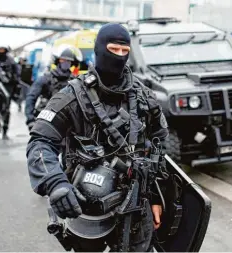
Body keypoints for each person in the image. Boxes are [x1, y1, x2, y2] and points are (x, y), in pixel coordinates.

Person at [26, 23, 169, 251]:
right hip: (87, 206)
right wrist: (55, 183)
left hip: (136, 204)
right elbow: (40, 142)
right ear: (100, 49)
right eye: (113, 49)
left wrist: (157, 197)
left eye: (125, 51)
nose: (119, 56)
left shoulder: (144, 97)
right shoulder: (72, 96)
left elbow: (160, 147)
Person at [24, 48, 75, 131]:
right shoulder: (46, 78)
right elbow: (31, 96)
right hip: (46, 119)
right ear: (58, 61)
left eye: (68, 61)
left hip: (66, 121)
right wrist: (30, 119)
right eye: (63, 60)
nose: (66, 63)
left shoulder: (74, 81)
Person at [0, 46, 20, 140]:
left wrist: (15, 88)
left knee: (6, 111)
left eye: (3, 51)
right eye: (0, 51)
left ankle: (4, 131)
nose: (1, 52)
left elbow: (17, 74)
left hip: (8, 89)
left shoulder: (11, 61)